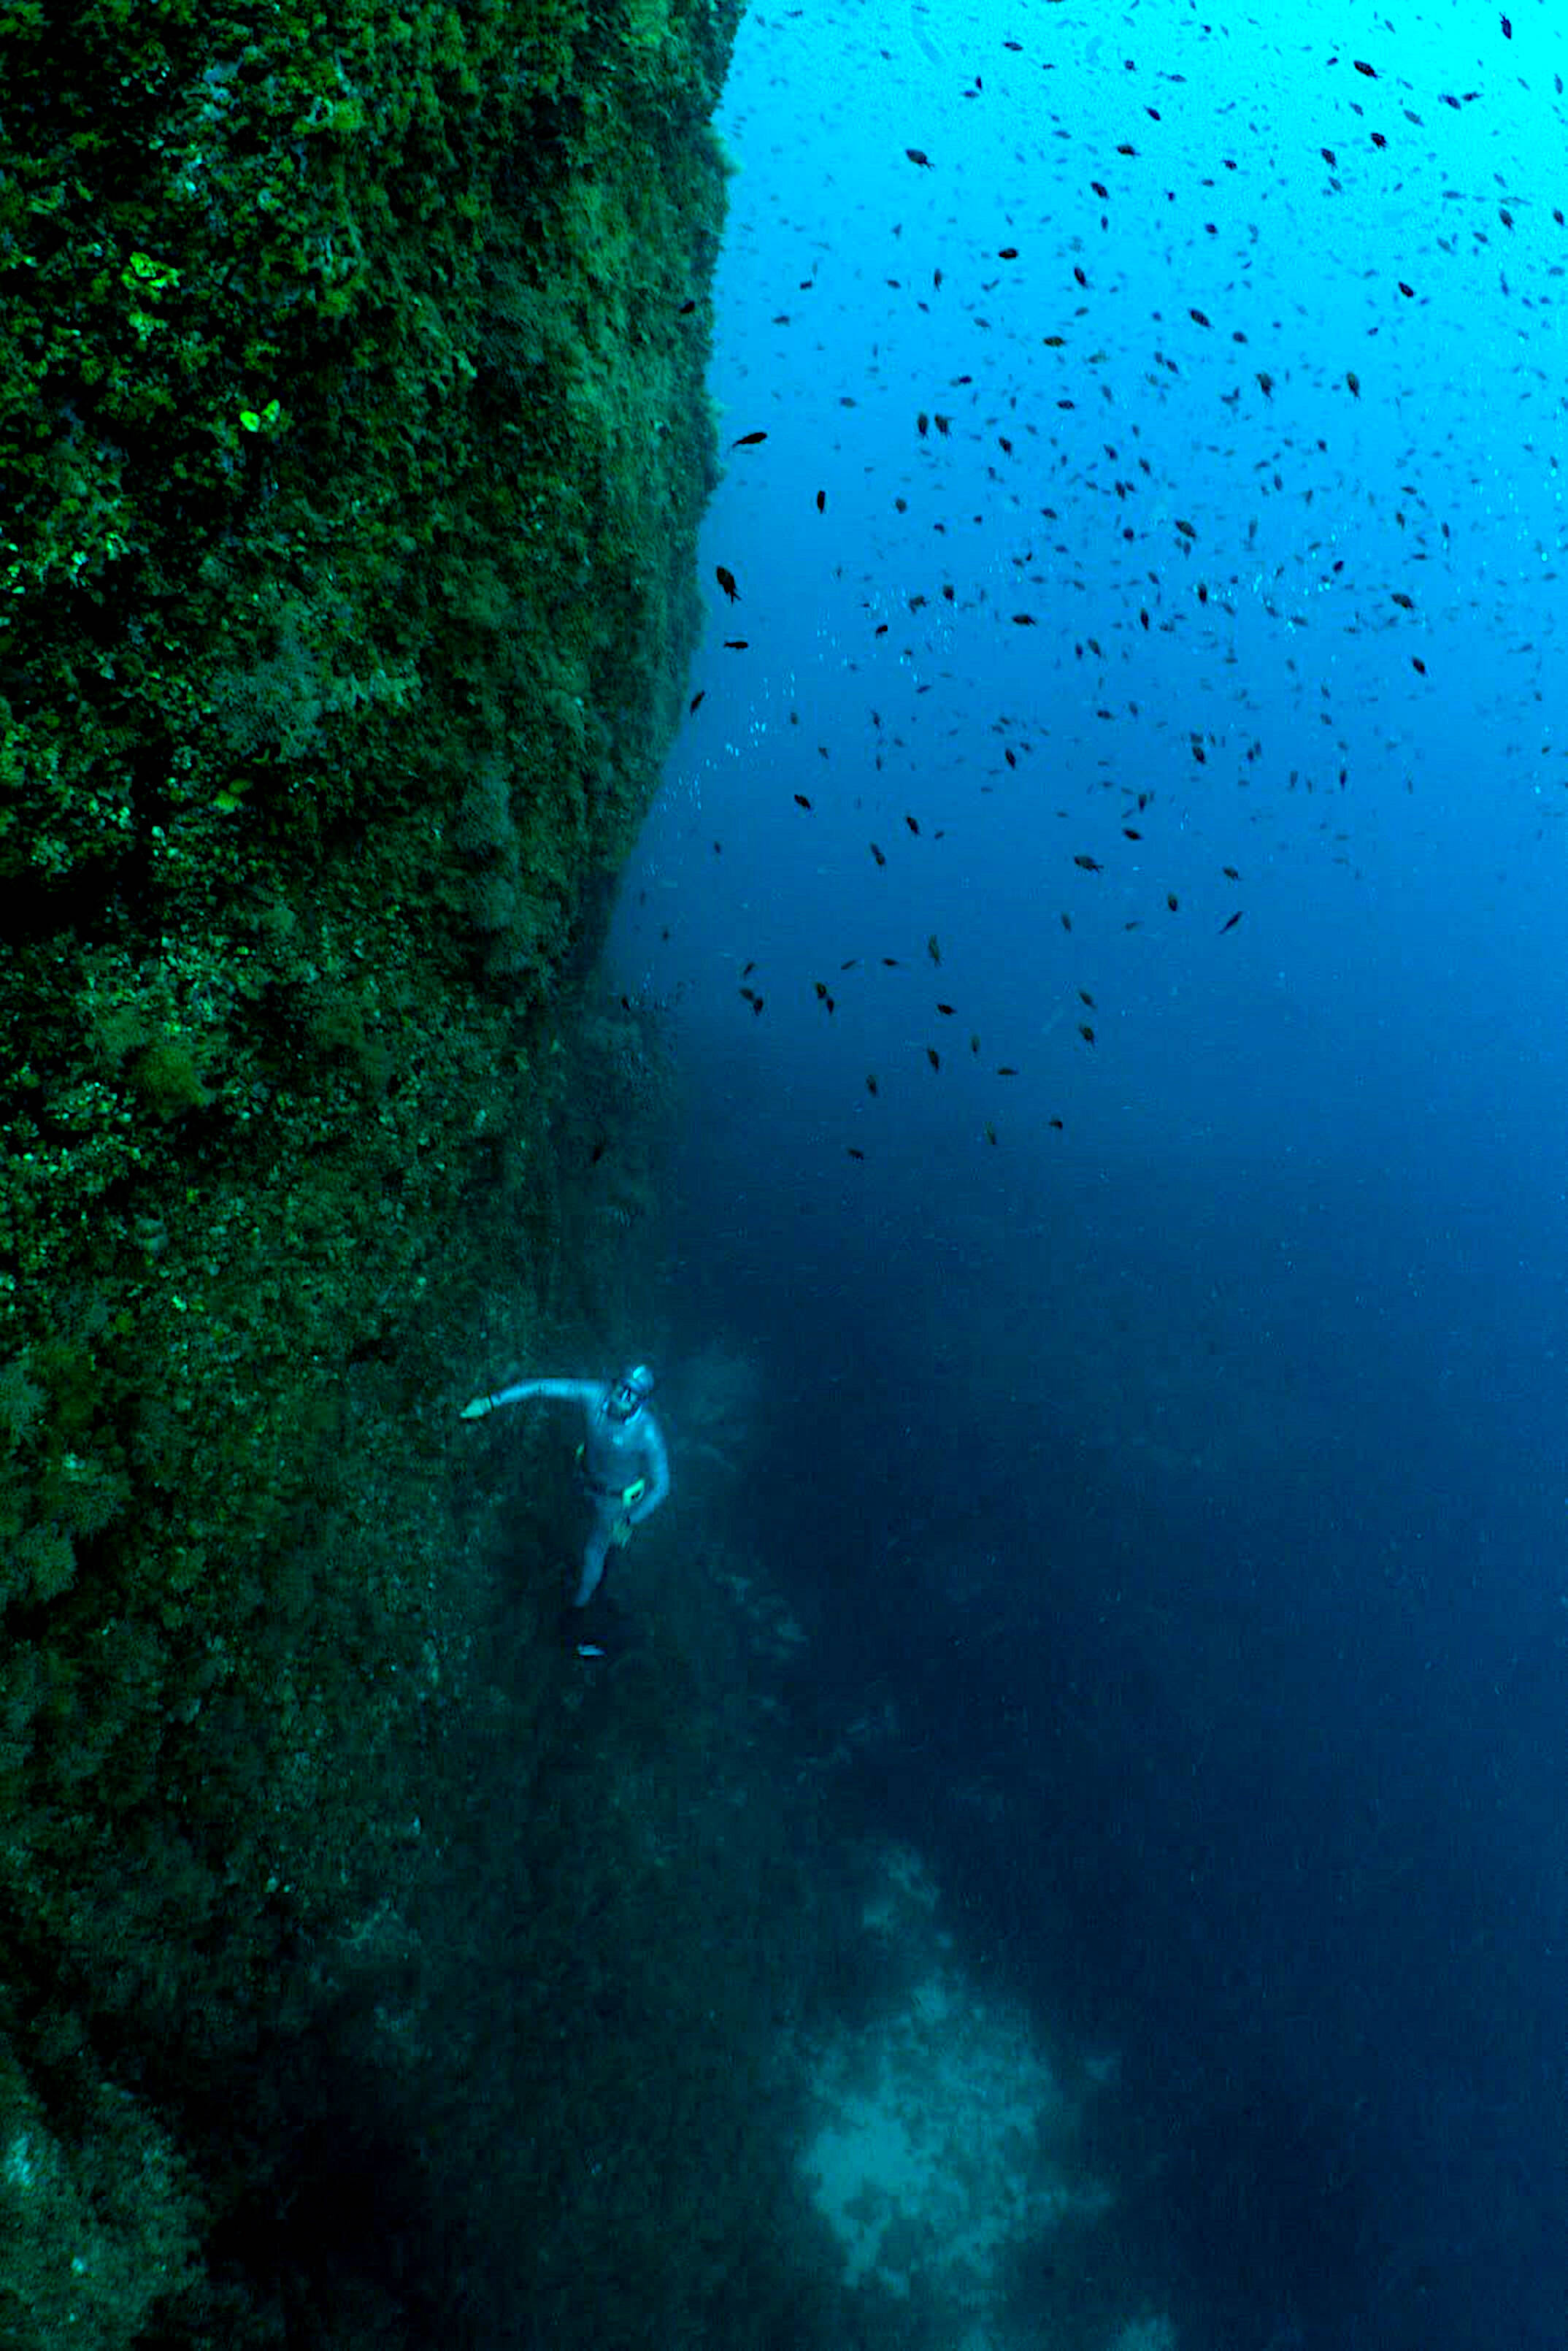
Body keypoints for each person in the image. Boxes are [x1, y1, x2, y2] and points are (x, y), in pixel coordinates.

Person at [460, 1364, 670, 1609]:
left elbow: (662, 1485)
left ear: (642, 1401)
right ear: (614, 1383)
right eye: (623, 1387)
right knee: (562, 1516)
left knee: (594, 1553)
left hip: (613, 1501)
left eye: (633, 1394)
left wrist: (630, 1521)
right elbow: (542, 1386)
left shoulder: (647, 1433)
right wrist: (490, 1402)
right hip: (581, 1476)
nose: (624, 1396)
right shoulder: (594, 1394)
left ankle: (579, 1607)